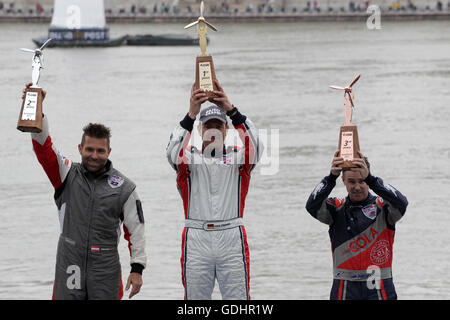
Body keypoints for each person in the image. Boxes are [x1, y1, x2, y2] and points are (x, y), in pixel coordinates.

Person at [24, 83, 147, 300]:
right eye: (89, 149)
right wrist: (37, 110)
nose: (94, 155)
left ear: (109, 151)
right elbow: (44, 148)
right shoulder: (66, 173)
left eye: (100, 151)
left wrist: (137, 269)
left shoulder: (125, 188)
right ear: (80, 148)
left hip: (106, 267)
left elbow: (136, 231)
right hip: (70, 262)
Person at [166, 80, 262, 300]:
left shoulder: (239, 160)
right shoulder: (188, 161)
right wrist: (191, 114)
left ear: (226, 130)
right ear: (199, 129)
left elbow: (256, 145)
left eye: (218, 126)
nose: (213, 131)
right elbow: (171, 153)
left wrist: (232, 111)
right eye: (208, 126)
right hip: (196, 237)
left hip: (231, 237)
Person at [305, 151, 408, 300]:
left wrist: (372, 180)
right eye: (352, 182)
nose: (357, 187)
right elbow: (311, 206)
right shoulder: (336, 208)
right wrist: (330, 178)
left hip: (379, 287)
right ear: (344, 181)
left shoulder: (383, 207)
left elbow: (402, 203)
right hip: (345, 288)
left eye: (362, 181)